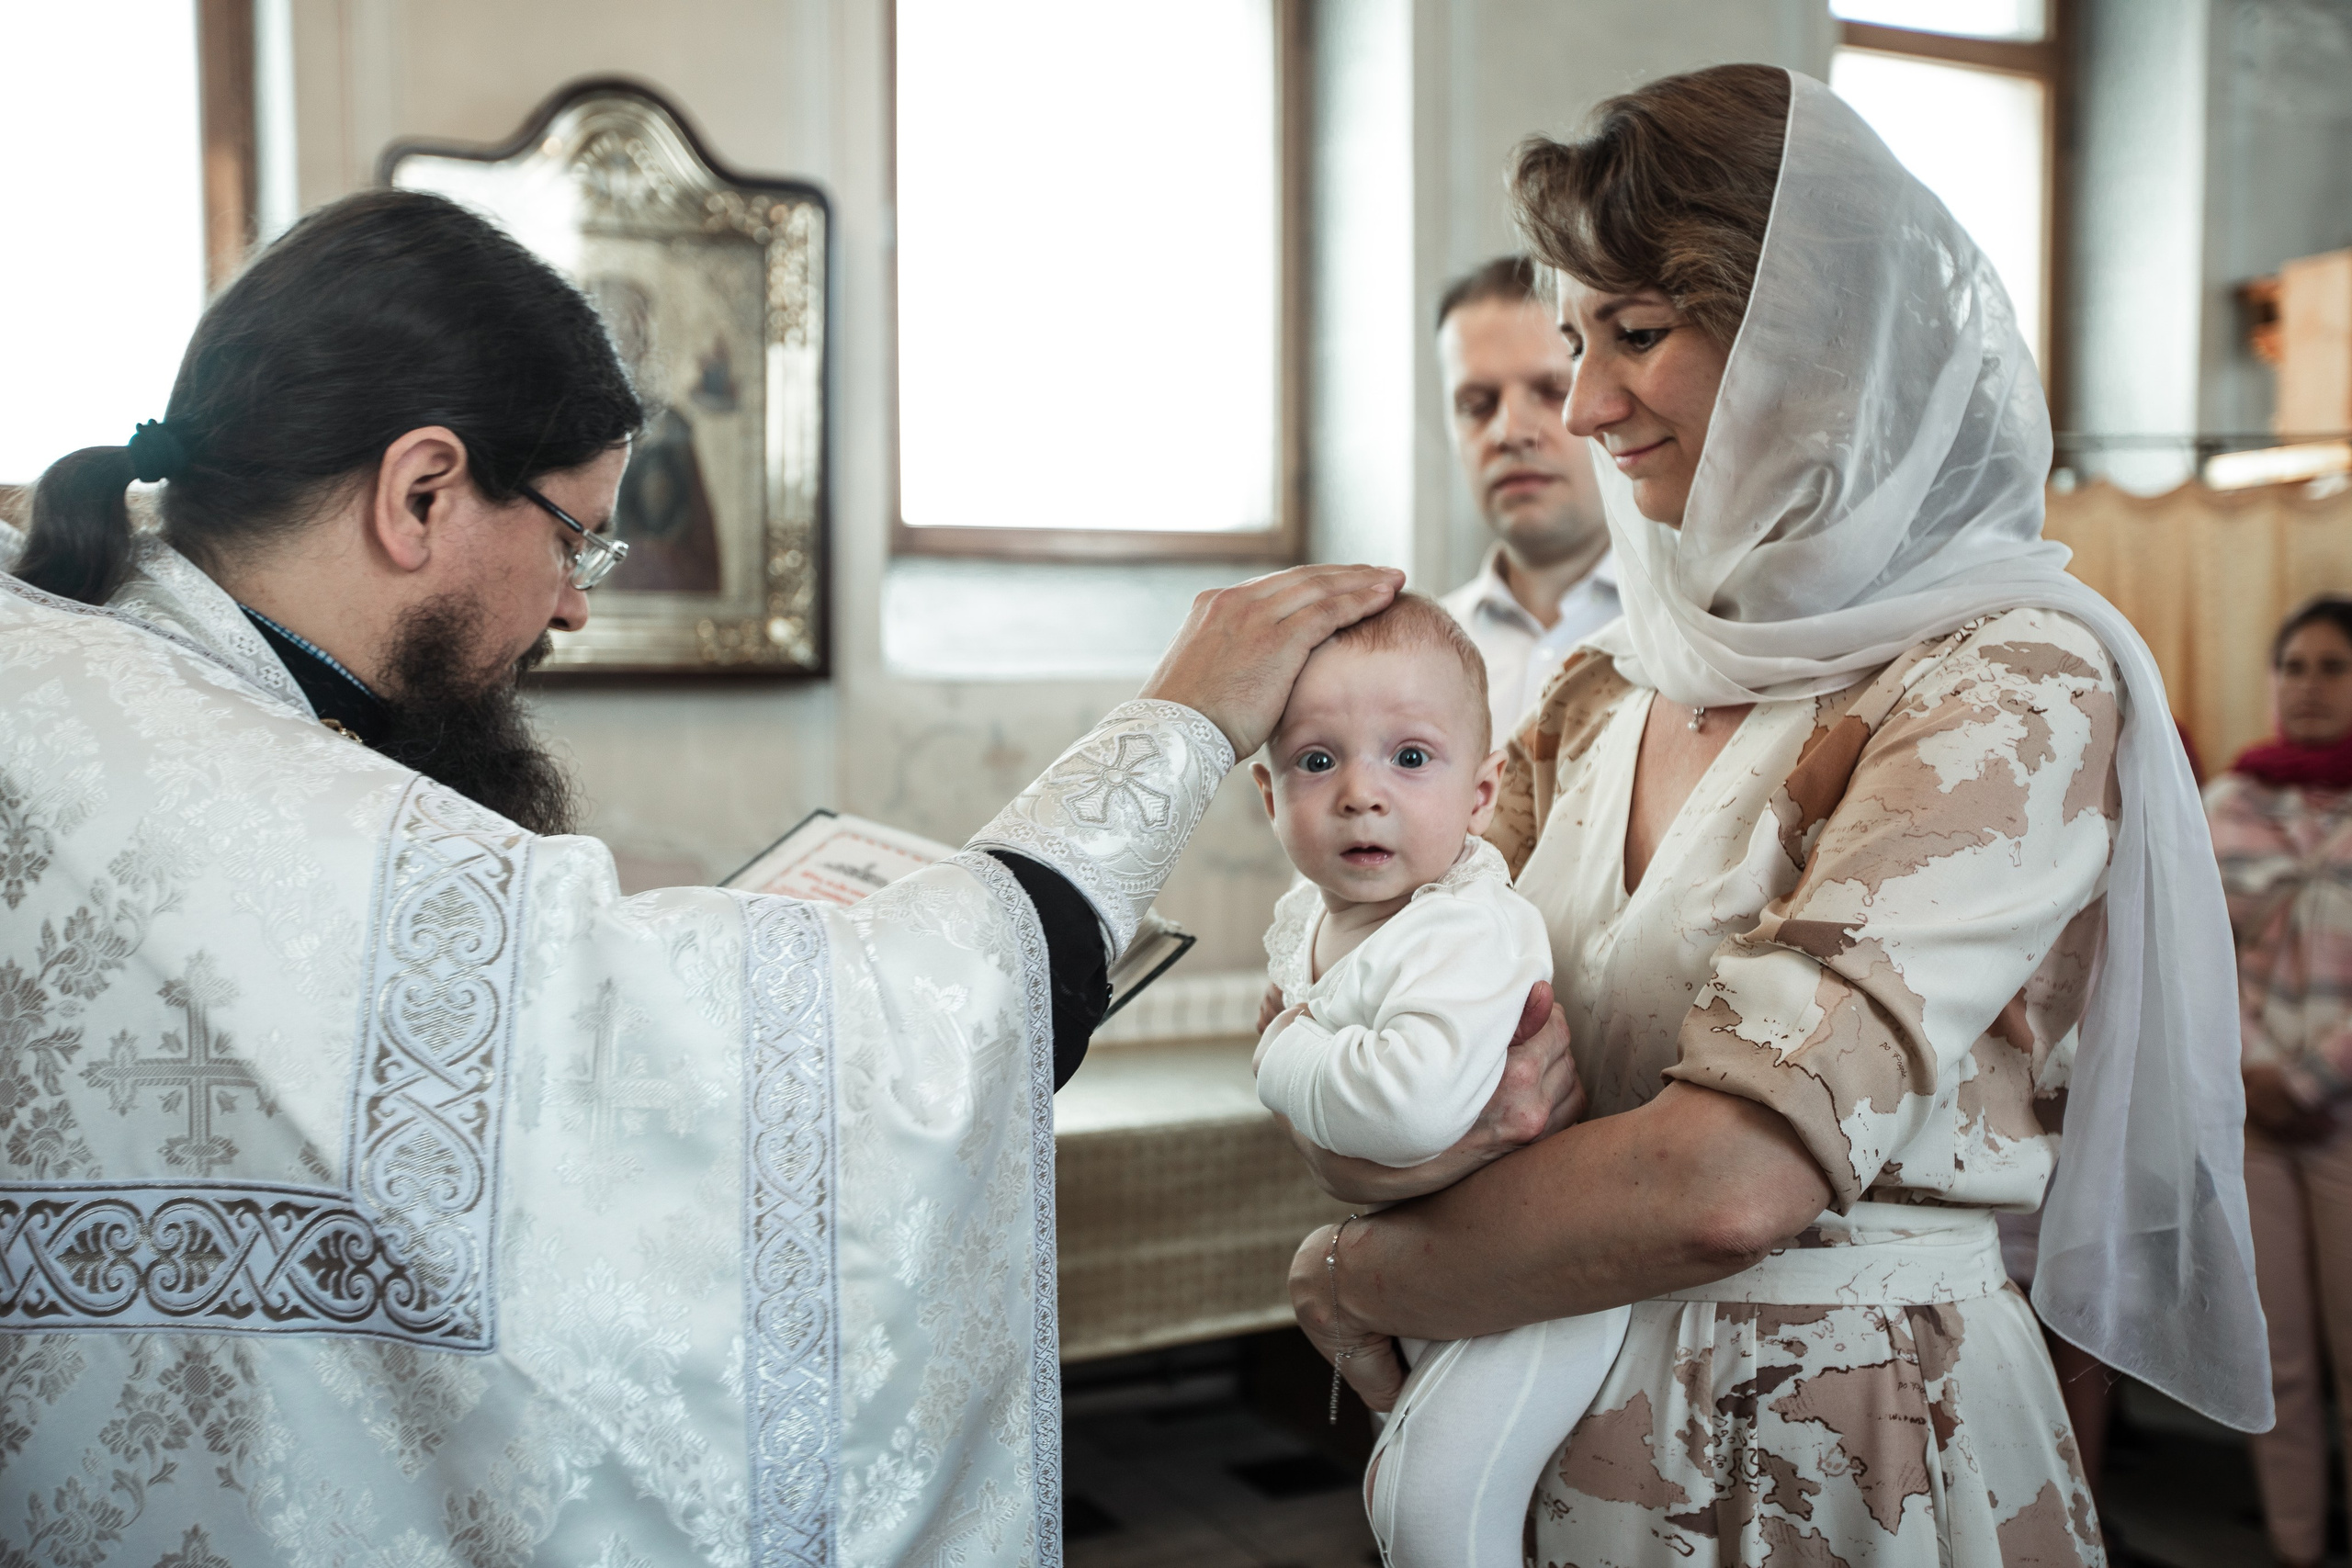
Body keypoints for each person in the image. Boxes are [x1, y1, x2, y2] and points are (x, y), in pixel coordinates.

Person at [0, 188, 1412, 1568]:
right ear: (420, 488)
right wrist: (1172, 731)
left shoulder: (95, 681)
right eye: (575, 535)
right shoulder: (238, 786)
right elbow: (835, 1067)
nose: (574, 601)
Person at [1285, 64, 2268, 1566]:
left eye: (1637, 333)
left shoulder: (2005, 678)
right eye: (1572, 340)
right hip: (1561, 1396)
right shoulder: (1602, 687)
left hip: (1842, 1427)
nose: (1586, 402)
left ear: (1812, 336)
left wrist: (1367, 1264)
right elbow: (1417, 1017)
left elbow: (1736, 1179)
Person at [1249, 592, 1627, 1567]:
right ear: (1267, 793)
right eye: (1316, 760)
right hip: (1443, 1256)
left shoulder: (1459, 929)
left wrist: (1280, 1052)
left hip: (1540, 1279)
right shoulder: (1312, 915)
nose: (1360, 794)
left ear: (1482, 789)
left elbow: (1406, 1108)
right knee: (1412, 1498)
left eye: (1409, 759)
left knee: (1428, 1510)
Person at [2206, 595, 2352, 1568]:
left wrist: (2317, 1077)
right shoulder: (2224, 803)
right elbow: (2193, 957)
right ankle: (2297, 1550)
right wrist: (2255, 1069)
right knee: (2279, 1357)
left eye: (2332, 667)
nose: (2307, 686)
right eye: (2292, 666)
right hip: (2250, 1113)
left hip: (2344, 1115)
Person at [1434, 256, 1619, 744]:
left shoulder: (1696, 641)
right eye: (1477, 405)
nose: (1511, 432)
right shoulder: (1414, 654)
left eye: (1553, 390)